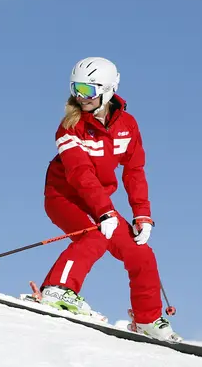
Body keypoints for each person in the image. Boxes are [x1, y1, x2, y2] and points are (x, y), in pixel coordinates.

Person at [39, 56, 180, 342]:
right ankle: (58, 289)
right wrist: (104, 211)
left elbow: (134, 171)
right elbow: (79, 173)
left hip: (98, 202)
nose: (81, 96)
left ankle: (147, 319)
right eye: (75, 88)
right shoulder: (70, 126)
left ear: (108, 90)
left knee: (141, 253)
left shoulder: (127, 126)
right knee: (93, 236)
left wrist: (142, 214)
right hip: (64, 196)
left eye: (87, 90)